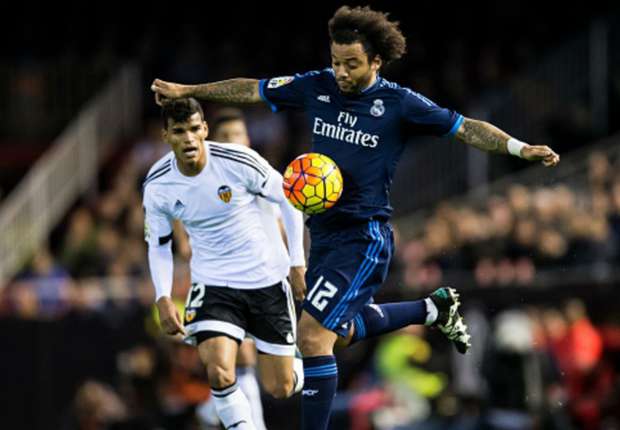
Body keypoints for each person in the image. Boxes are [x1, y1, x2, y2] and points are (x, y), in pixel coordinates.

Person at [151, 6, 560, 429]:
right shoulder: (317, 86)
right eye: (335, 62)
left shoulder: (399, 103)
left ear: (376, 62)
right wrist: (188, 90)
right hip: (323, 234)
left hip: (364, 237)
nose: (341, 72)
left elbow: (465, 127)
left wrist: (518, 148)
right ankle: (431, 310)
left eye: (352, 64)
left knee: (312, 336)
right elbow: (252, 89)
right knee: (338, 333)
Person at [144, 98, 305, 430]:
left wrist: (297, 263)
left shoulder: (238, 160)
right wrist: (162, 296)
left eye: (193, 129)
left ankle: (298, 364)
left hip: (265, 281)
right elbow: (159, 245)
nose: (188, 139)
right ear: (166, 136)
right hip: (213, 283)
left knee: (281, 386)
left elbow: (290, 197)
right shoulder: (158, 184)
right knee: (218, 369)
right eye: (178, 131)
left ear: (204, 130)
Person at [195, 108, 283, 430]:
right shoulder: (203, 184)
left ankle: (209, 411)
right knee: (241, 359)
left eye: (239, 135)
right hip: (223, 282)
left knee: (275, 375)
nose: (234, 142)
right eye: (226, 137)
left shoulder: (264, 176)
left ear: (248, 138)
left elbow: (283, 224)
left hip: (269, 281)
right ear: (214, 143)